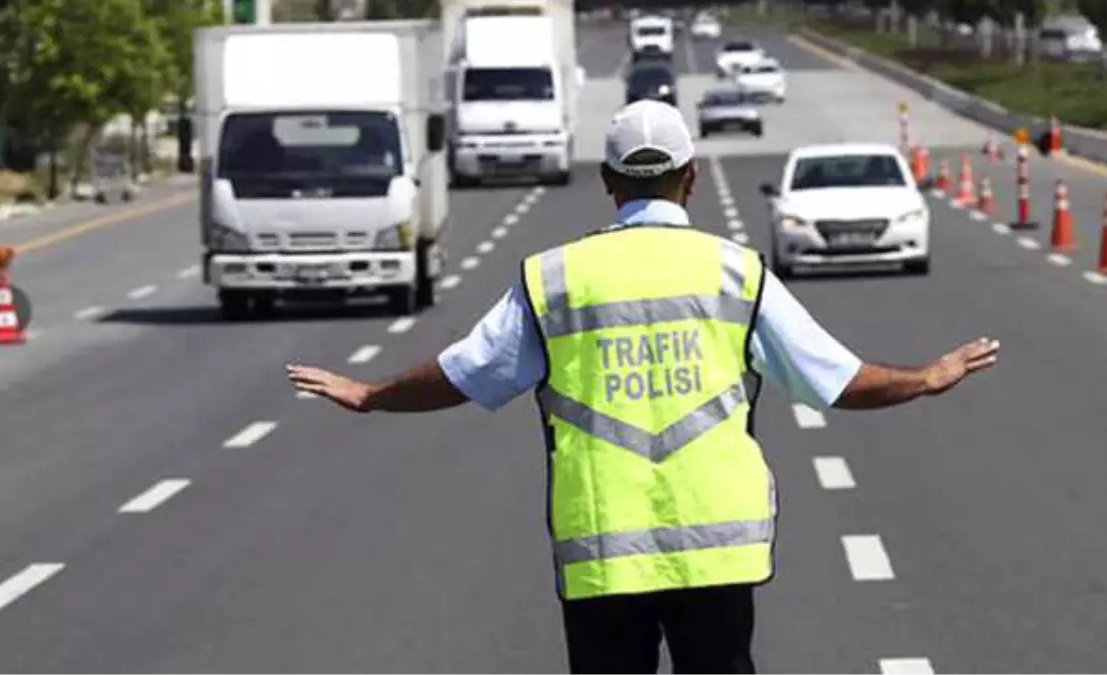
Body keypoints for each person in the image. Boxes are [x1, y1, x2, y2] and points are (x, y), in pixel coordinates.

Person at [286, 100, 1001, 675]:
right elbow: (835, 380)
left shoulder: (555, 279)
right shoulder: (735, 272)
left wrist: (371, 392)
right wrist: (925, 377)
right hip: (716, 551)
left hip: (602, 556)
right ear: (690, 177)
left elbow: (464, 372)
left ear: (608, 180)